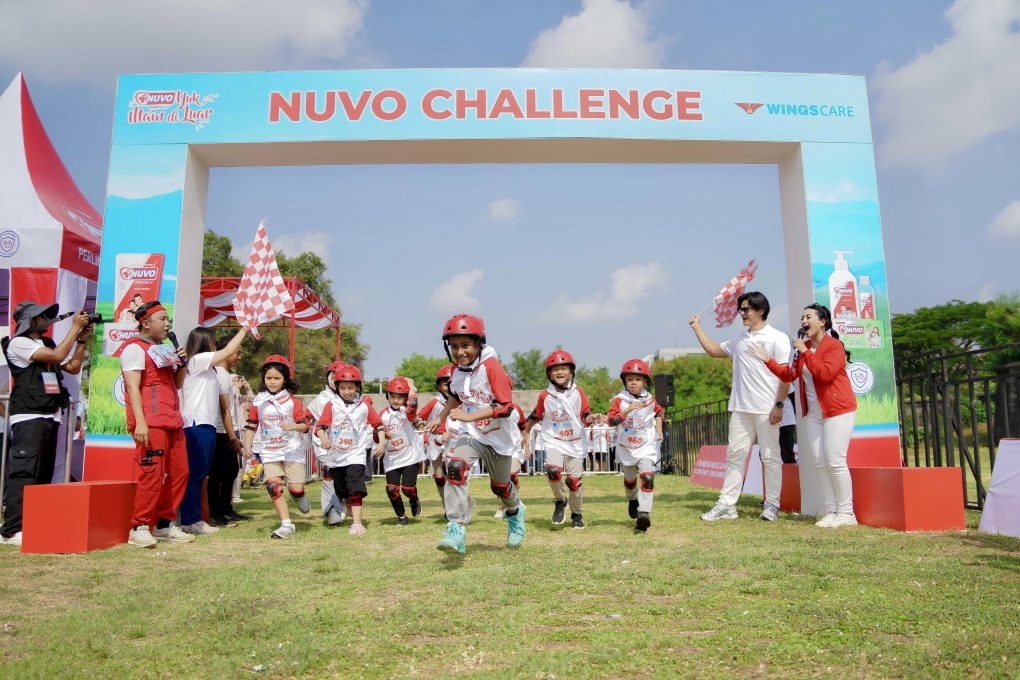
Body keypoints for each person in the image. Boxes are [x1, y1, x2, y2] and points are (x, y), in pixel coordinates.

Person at [749, 303, 859, 528]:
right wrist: (767, 359)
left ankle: (847, 513)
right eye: (801, 318)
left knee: (835, 460)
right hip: (814, 413)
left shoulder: (834, 346)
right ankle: (832, 510)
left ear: (822, 321)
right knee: (820, 462)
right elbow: (789, 374)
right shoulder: (804, 348)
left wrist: (806, 351)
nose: (803, 321)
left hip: (838, 411)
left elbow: (825, 374)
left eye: (808, 317)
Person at [424, 314, 526, 554]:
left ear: (479, 343)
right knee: (456, 467)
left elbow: (505, 407)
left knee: (500, 487)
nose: (460, 352)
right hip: (472, 433)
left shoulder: (492, 367)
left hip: (498, 436)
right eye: (455, 346)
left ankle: (515, 513)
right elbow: (456, 397)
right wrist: (441, 416)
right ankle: (456, 528)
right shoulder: (456, 371)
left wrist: (468, 416)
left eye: (466, 345)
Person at [690, 291, 792, 522]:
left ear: (761, 311)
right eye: (741, 310)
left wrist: (779, 405)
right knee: (736, 455)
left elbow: (786, 375)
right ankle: (727, 505)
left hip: (767, 408)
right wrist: (697, 328)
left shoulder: (778, 337)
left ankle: (772, 505)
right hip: (741, 408)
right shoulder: (739, 338)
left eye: (746, 309)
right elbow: (715, 351)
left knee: (770, 457)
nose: (742, 314)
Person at [0, 302, 91, 546]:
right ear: (30, 320)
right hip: (28, 416)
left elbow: (71, 367)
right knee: (24, 472)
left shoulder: (47, 344)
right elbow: (59, 356)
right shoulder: (18, 343)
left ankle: (32, 524)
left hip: (50, 415)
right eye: (43, 316)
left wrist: (81, 341)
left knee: (42, 473)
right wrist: (74, 328)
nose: (48, 320)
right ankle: (11, 529)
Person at [119, 301, 191, 548]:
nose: (167, 323)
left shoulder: (164, 349)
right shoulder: (134, 349)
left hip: (172, 420)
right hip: (151, 422)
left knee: (181, 471)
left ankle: (163, 524)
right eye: (162, 319)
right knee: (151, 473)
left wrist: (182, 364)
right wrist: (140, 422)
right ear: (145, 323)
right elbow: (132, 387)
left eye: (167, 319)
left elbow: (177, 384)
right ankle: (139, 526)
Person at [177, 326, 248, 535]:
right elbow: (227, 352)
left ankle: (195, 518)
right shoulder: (196, 362)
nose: (216, 346)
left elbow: (223, 404)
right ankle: (190, 520)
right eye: (214, 342)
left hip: (207, 425)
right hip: (195, 424)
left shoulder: (213, 372)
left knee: (201, 475)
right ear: (204, 343)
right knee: (196, 474)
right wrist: (245, 330)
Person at [241, 356, 311, 539]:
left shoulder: (292, 401)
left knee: (296, 489)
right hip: (270, 451)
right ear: (263, 378)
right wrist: (247, 445)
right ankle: (286, 524)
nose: (272, 382)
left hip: (291, 451)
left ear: (285, 379)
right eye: (269, 378)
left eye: (277, 378)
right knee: (273, 486)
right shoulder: (259, 402)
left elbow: (305, 425)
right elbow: (251, 425)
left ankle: (299, 496)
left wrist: (293, 426)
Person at [524, 350, 595, 529]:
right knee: (553, 471)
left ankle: (577, 513)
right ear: (549, 374)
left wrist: (592, 418)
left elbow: (585, 415)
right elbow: (535, 415)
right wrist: (525, 435)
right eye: (555, 369)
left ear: (571, 371)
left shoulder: (577, 392)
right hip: (554, 439)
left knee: (573, 482)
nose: (560, 372)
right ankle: (560, 500)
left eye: (564, 368)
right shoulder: (545, 396)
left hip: (575, 440)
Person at [315, 364, 381, 535]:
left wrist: (380, 443)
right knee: (342, 490)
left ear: (357, 387)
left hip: (355, 454)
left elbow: (378, 425)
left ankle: (357, 523)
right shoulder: (332, 405)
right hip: (336, 455)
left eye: (350, 388)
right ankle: (348, 501)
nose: (347, 391)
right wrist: (323, 438)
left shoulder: (364, 405)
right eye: (343, 388)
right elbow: (320, 426)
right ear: (336, 387)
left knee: (356, 487)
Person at [607, 359, 664, 532]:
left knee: (647, 477)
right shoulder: (619, 400)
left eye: (638, 379)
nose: (633, 382)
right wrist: (627, 410)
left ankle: (644, 514)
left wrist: (659, 428)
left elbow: (659, 412)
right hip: (626, 446)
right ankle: (632, 500)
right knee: (630, 481)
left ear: (645, 381)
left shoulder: (650, 399)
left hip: (646, 444)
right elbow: (611, 421)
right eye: (630, 379)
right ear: (625, 381)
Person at [208, 334, 250, 526]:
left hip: (229, 430)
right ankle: (216, 512)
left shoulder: (226, 376)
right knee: (218, 473)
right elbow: (223, 409)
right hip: (219, 431)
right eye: (237, 353)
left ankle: (226, 508)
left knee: (231, 470)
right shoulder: (218, 374)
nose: (239, 357)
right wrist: (232, 437)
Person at [375, 377, 426, 525]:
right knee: (392, 489)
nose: (396, 400)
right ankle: (401, 516)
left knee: (408, 489)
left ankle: (414, 499)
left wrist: (410, 387)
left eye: (400, 397)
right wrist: (382, 436)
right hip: (392, 458)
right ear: (387, 396)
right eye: (393, 397)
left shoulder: (406, 412)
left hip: (410, 455)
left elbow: (413, 405)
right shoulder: (383, 414)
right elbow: (376, 434)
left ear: (404, 399)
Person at [307, 361, 349, 526]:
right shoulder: (322, 399)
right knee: (329, 474)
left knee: (344, 477)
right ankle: (331, 510)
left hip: (346, 445)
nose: (335, 380)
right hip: (325, 445)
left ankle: (342, 504)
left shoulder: (352, 398)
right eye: (333, 377)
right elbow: (306, 415)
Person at [417, 364, 456, 518]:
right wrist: (426, 427)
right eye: (446, 383)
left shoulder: (462, 402)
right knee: (439, 478)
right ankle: (446, 506)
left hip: (454, 442)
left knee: (454, 476)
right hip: (436, 442)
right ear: (439, 386)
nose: (449, 386)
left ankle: (456, 507)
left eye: (452, 382)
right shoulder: (435, 402)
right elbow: (420, 419)